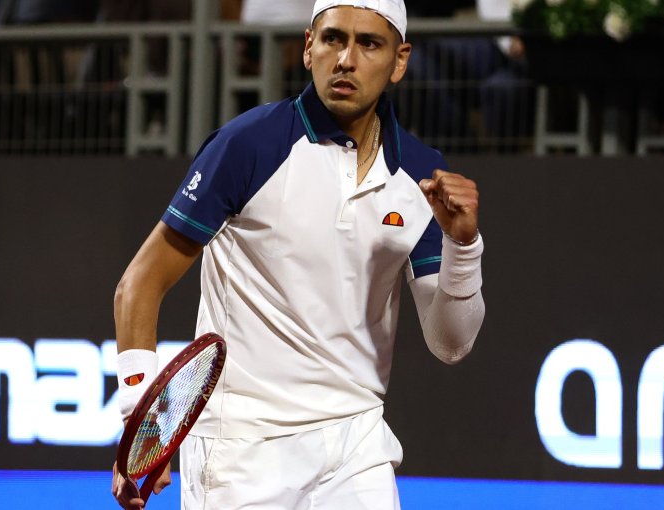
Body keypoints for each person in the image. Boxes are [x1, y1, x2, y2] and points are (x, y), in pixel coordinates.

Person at [111, 1, 485, 508]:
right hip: (241, 447)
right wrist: (144, 428)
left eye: (368, 44)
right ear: (309, 47)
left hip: (356, 443)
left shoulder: (421, 173)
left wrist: (463, 246)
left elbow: (450, 343)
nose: (346, 59)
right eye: (333, 39)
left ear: (400, 61)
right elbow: (140, 283)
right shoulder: (249, 145)